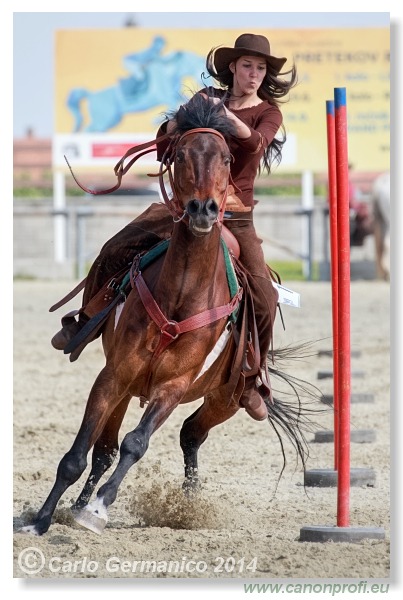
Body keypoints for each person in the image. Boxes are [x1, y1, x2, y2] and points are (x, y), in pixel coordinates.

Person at [51, 33, 297, 422]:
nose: (254, 74)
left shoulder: (268, 112)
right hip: (183, 208)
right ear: (233, 67)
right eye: (248, 65)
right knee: (115, 247)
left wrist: (222, 115)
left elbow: (254, 145)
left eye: (261, 68)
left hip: (235, 215)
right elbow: (166, 143)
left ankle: (252, 378)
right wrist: (177, 120)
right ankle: (85, 320)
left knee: (265, 297)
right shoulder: (203, 99)